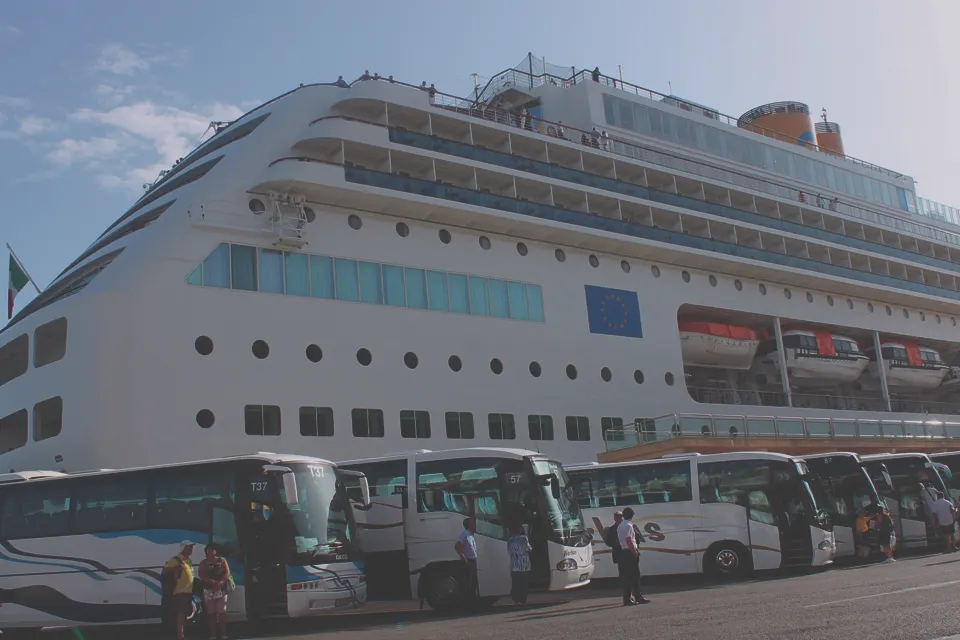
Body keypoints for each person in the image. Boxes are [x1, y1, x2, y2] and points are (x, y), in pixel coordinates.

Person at [162, 541, 197, 640]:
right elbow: (165, 571)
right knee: (180, 614)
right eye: (189, 547)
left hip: (188, 592)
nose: (191, 549)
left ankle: (181, 635)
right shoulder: (175, 560)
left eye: (191, 547)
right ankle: (180, 636)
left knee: (184, 614)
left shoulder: (188, 560)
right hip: (179, 592)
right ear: (183, 548)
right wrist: (177, 568)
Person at [616, 508, 650, 605]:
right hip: (629, 552)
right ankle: (634, 597)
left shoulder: (620, 526)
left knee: (629, 576)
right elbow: (629, 540)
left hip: (624, 552)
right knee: (634, 576)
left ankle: (632, 597)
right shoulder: (628, 526)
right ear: (632, 515)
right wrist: (635, 552)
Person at [199, 544, 231, 640]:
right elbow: (202, 575)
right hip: (209, 591)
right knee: (211, 613)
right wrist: (212, 582)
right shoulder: (203, 563)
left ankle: (224, 634)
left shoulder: (222, 561)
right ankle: (213, 635)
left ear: (215, 551)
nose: (211, 552)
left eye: (212, 550)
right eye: (208, 550)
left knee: (222, 612)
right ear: (206, 552)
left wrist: (220, 582)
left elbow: (227, 573)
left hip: (221, 590)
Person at [454, 517, 478, 604]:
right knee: (468, 583)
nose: (474, 525)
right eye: (473, 523)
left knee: (473, 584)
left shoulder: (471, 535)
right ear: (469, 525)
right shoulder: (464, 534)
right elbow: (457, 546)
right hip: (468, 561)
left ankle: (472, 603)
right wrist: (463, 556)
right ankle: (468, 604)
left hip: (473, 560)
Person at [507, 523, 532, 604]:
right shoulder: (524, 538)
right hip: (523, 563)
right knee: (523, 582)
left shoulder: (510, 540)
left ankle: (516, 598)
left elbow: (509, 551)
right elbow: (528, 548)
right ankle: (523, 598)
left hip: (514, 564)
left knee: (516, 582)